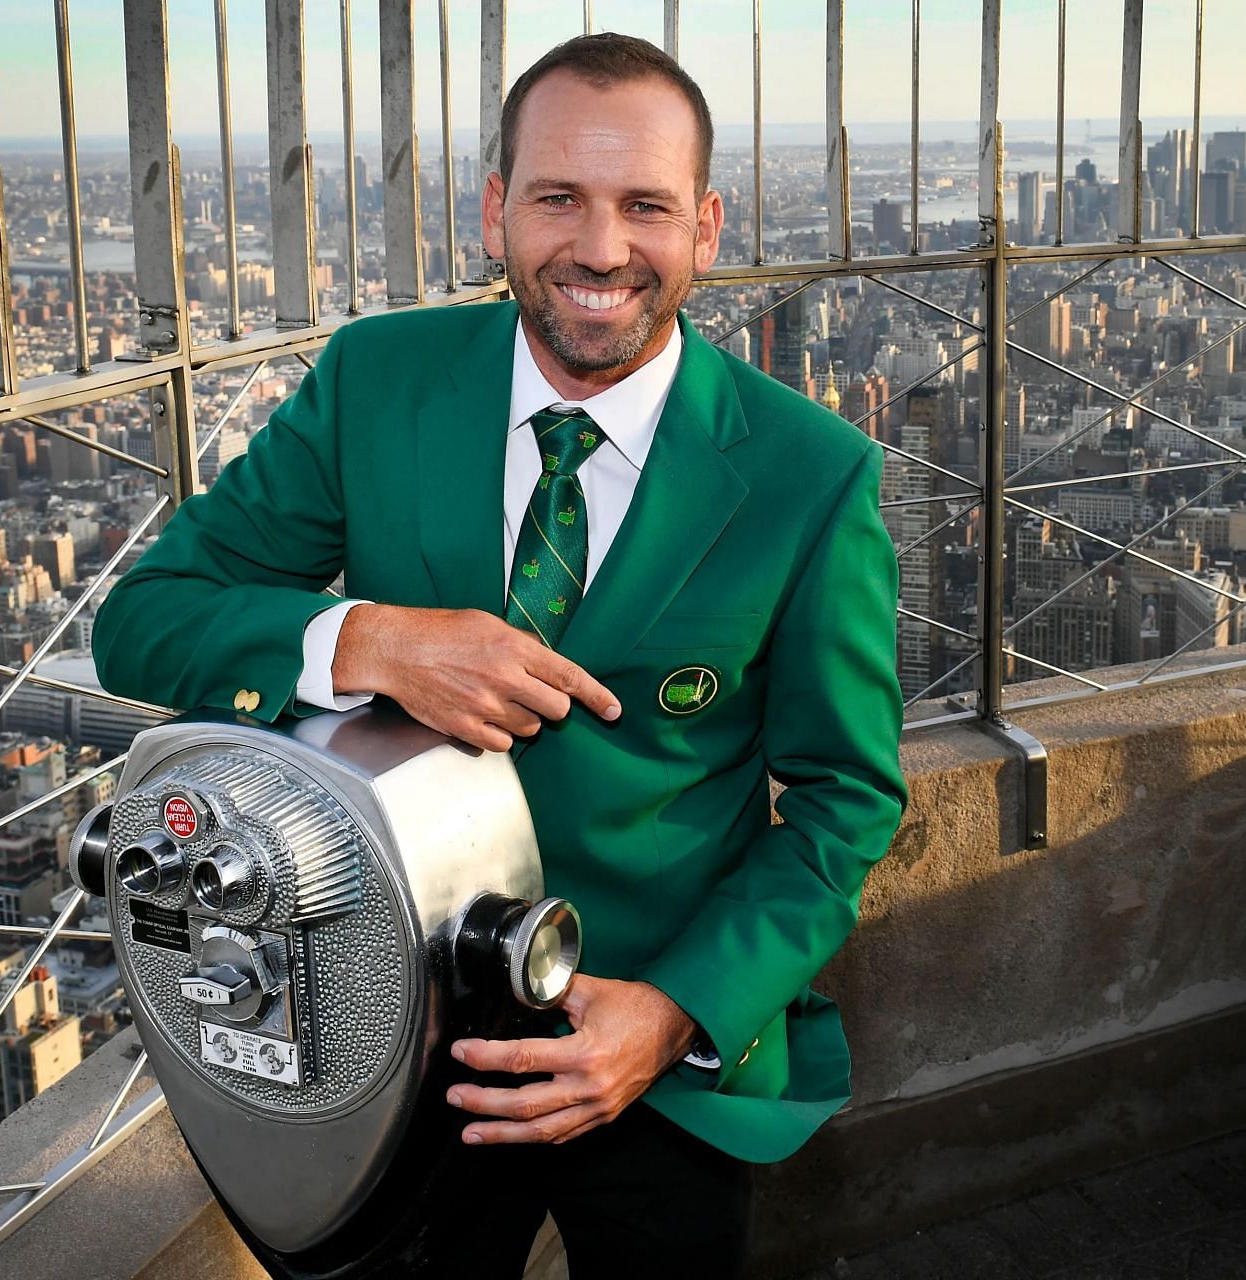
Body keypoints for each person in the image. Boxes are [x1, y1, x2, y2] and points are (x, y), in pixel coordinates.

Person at [92, 32, 906, 1279]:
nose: (598, 248)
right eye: (557, 198)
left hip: (651, 1057)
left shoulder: (809, 474)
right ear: (493, 212)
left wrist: (674, 1010)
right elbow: (144, 615)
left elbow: (847, 799)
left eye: (644, 205)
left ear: (706, 223)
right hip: (390, 1044)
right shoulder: (376, 380)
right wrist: (367, 638)